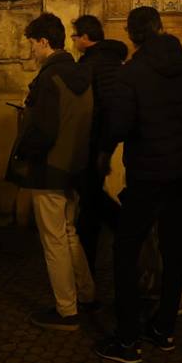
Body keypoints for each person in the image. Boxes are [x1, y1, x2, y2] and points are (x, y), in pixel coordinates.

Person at [95, 6, 182, 363]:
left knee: (126, 250)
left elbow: (118, 127)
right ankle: (164, 328)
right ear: (160, 28)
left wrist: (140, 138)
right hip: (179, 169)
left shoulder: (131, 74)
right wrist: (175, 135)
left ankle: (127, 338)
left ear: (132, 35)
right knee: (173, 246)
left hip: (146, 172)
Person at [9, 13, 96, 331]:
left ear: (44, 42)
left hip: (49, 168)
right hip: (75, 165)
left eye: (32, 43)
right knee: (70, 233)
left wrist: (23, 148)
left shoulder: (48, 79)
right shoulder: (81, 74)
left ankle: (66, 309)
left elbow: (44, 130)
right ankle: (86, 293)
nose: (30, 50)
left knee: (54, 240)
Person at [70, 14, 128, 281]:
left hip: (95, 142)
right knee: (95, 199)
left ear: (85, 38)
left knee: (91, 205)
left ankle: (88, 268)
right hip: (108, 141)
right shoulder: (115, 61)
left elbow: (99, 107)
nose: (72, 41)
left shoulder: (92, 64)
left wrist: (101, 147)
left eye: (74, 36)